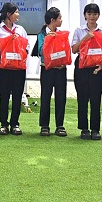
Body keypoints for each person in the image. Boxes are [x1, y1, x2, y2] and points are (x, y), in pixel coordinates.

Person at [72, 3, 102, 140]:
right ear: (85, 15)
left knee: (96, 99)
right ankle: (84, 128)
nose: (92, 16)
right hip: (82, 67)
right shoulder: (79, 30)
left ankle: (95, 129)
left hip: (97, 67)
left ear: (98, 15)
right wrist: (85, 39)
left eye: (94, 14)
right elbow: (74, 50)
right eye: (89, 14)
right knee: (82, 98)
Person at [0, 2, 29, 136]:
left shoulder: (20, 29)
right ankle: (3, 124)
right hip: (4, 67)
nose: (18, 15)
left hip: (19, 67)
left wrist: (18, 42)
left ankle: (15, 124)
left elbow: (27, 46)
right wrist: (8, 41)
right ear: (8, 14)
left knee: (18, 96)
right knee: (4, 96)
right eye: (16, 12)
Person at [36, 7, 69, 137]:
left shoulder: (61, 34)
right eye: (59, 18)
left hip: (61, 69)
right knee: (45, 97)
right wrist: (48, 40)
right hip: (47, 69)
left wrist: (64, 62)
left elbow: (66, 50)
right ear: (52, 20)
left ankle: (60, 125)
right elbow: (41, 51)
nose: (61, 20)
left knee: (61, 97)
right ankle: (44, 125)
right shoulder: (42, 35)